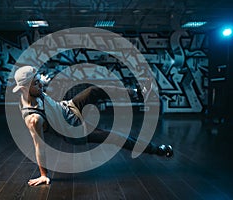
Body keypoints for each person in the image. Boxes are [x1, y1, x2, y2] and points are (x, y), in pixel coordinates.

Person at [12, 65, 173, 186]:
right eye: (36, 84)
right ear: (25, 88)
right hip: (75, 130)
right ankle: (158, 150)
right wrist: (43, 174)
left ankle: (138, 93)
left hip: (68, 107)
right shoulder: (33, 119)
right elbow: (39, 146)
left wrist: (40, 80)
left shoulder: (33, 91)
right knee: (116, 137)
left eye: (39, 81)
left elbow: (39, 86)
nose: (40, 85)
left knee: (93, 91)